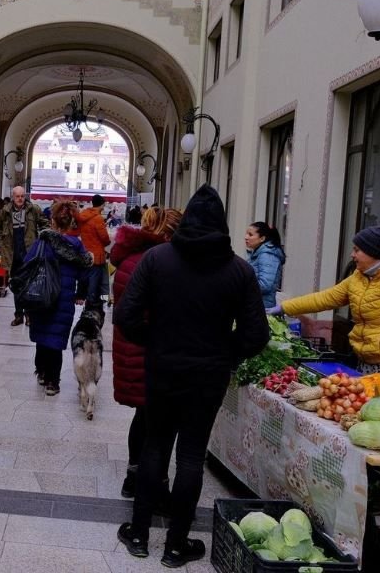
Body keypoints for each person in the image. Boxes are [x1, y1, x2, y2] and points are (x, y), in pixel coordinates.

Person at [114, 186, 269, 567]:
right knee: (191, 456)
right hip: (208, 374)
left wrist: (154, 342)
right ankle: (176, 544)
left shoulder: (156, 259)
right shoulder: (239, 270)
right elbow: (256, 335)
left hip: (162, 366)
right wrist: (225, 351)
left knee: (155, 446)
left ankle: (138, 533)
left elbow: (126, 316)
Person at [268, 226, 380, 388]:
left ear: (373, 252)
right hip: (368, 358)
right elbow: (326, 298)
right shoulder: (360, 276)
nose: (352, 255)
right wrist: (285, 307)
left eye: (357, 250)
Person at [110, 207, 180, 498]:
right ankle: (154, 482)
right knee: (156, 419)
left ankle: (133, 475)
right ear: (168, 234)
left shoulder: (128, 258)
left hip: (131, 344)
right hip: (150, 347)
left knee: (143, 415)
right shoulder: (161, 263)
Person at [27, 201, 93, 395]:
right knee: (56, 338)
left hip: (41, 296)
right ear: (71, 221)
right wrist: (81, 293)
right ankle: (52, 382)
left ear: (53, 221)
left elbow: (28, 264)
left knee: (42, 335)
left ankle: (41, 371)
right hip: (64, 298)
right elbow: (85, 273)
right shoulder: (77, 246)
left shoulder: (43, 242)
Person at [0, 185, 49, 326]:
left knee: (30, 286)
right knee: (17, 286)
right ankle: (19, 315)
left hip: (29, 256)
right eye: (17, 196)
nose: (20, 199)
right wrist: (1, 244)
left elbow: (45, 224)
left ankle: (29, 315)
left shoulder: (33, 209)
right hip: (13, 256)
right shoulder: (5, 212)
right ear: (13, 197)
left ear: (25, 196)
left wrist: (41, 241)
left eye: (22, 196)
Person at [76, 194, 112, 307]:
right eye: (104, 205)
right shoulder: (98, 218)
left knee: (86, 280)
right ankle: (92, 306)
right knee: (96, 283)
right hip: (97, 256)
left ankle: (83, 299)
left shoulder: (83, 216)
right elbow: (105, 239)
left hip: (85, 254)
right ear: (101, 205)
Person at [244, 221, 286, 309]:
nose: (246, 237)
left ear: (262, 238)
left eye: (250, 235)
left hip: (262, 307)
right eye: (246, 234)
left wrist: (241, 286)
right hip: (255, 304)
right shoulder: (258, 253)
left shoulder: (267, 255)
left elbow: (265, 285)